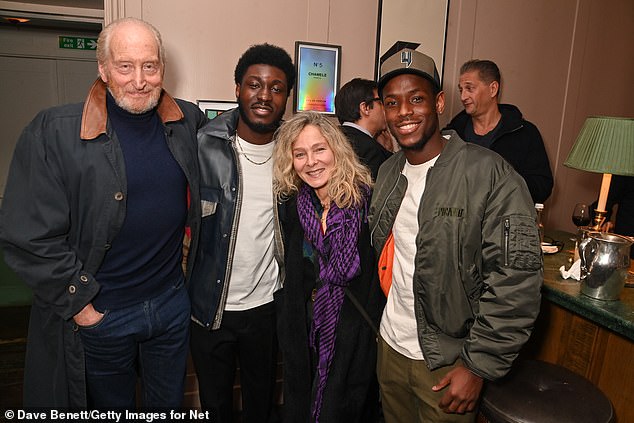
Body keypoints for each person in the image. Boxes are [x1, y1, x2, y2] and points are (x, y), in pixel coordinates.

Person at [0, 17, 205, 408]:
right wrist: (82, 307)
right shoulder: (54, 132)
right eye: (125, 66)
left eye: (150, 66)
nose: (139, 80)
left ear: (162, 67)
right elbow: (26, 236)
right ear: (103, 68)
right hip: (103, 313)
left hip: (170, 306)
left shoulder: (185, 122)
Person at [370, 48, 543, 422]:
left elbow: (517, 279)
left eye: (416, 99)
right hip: (391, 349)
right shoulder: (386, 173)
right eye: (392, 102)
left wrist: (478, 365)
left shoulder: (490, 174)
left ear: (439, 102)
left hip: (449, 363)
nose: (404, 112)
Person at [188, 43, 295, 423]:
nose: (264, 95)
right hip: (209, 308)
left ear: (287, 97)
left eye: (276, 87)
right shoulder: (203, 146)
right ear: (237, 89)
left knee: (261, 402)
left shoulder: (295, 154)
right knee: (215, 405)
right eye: (254, 84)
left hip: (266, 308)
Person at [272, 111, 385, 422]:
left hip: (352, 342)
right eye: (300, 154)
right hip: (305, 336)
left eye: (319, 149)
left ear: (337, 149)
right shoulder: (296, 206)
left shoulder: (367, 206)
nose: (311, 162)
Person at [444, 59, 553, 204]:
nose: (463, 97)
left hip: (503, 222)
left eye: (470, 88)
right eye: (461, 90)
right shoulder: (451, 133)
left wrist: (499, 185)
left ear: (493, 89)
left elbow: (542, 187)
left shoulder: (526, 133)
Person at [335, 78, 392, 179]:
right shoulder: (371, 151)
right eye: (381, 102)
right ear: (365, 108)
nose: (386, 109)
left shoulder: (331, 137)